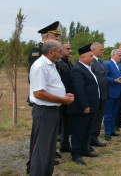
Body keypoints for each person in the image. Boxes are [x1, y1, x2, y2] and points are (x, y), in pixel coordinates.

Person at [28, 40, 74, 176]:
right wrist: (62, 99)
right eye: (60, 51)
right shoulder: (40, 66)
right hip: (44, 111)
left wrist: (63, 94)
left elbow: (50, 87)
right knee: (41, 150)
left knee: (50, 149)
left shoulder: (52, 64)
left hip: (53, 110)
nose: (62, 53)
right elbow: (38, 93)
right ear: (51, 52)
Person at [26, 21, 61, 173]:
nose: (58, 39)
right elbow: (33, 78)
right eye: (55, 36)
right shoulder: (37, 52)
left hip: (51, 101)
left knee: (48, 140)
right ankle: (32, 165)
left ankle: (46, 161)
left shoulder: (53, 55)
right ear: (47, 37)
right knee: (39, 139)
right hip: (42, 100)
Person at [68, 44, 101, 165]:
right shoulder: (77, 70)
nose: (93, 58)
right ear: (82, 57)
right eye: (90, 56)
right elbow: (79, 90)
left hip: (91, 107)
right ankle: (76, 154)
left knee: (87, 130)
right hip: (82, 108)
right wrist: (85, 106)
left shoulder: (88, 68)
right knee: (78, 131)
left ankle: (85, 150)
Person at [104, 49, 121, 141]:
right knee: (108, 113)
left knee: (114, 113)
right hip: (111, 93)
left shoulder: (120, 65)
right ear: (113, 55)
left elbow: (120, 76)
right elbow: (104, 77)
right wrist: (114, 80)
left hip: (119, 92)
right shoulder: (107, 64)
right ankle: (107, 132)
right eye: (119, 56)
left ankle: (112, 130)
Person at [90, 42, 109, 147]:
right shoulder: (91, 61)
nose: (102, 51)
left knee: (99, 118)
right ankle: (90, 139)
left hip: (103, 94)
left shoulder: (100, 61)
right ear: (93, 49)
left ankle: (94, 138)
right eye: (100, 49)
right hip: (96, 95)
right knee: (94, 118)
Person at [57, 42, 74, 153]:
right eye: (68, 48)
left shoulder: (68, 63)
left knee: (67, 121)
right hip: (58, 97)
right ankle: (52, 151)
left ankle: (65, 144)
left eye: (70, 48)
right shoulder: (57, 63)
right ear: (61, 50)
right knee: (57, 123)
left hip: (68, 97)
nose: (70, 50)